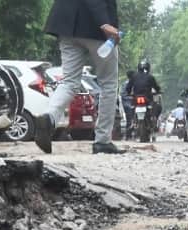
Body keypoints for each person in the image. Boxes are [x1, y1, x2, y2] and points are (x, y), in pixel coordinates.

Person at [35, 0, 122, 155]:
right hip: (97, 29)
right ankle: (102, 141)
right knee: (108, 84)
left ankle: (49, 118)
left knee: (69, 82)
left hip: (67, 26)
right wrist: (104, 23)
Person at [125, 59, 163, 125]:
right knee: (157, 106)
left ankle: (132, 121)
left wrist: (128, 93)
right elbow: (156, 86)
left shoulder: (134, 76)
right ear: (148, 68)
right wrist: (158, 91)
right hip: (148, 98)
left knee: (132, 107)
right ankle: (153, 119)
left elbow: (128, 87)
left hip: (136, 98)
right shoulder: (150, 77)